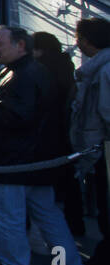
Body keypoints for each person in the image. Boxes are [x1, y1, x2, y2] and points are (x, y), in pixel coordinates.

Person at [0, 26, 88, 265]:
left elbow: (17, 118)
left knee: (8, 216)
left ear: (20, 45)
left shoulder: (22, 76)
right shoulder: (33, 72)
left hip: (14, 162)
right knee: (49, 218)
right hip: (36, 162)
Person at [70, 17, 110, 265]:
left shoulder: (104, 70)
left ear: (86, 40)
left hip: (102, 147)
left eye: (79, 38)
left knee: (107, 209)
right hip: (99, 146)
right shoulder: (99, 68)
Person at [34, 31, 83, 234]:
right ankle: (75, 223)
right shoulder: (65, 65)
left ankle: (57, 247)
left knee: (48, 188)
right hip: (65, 131)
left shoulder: (43, 69)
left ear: (40, 49)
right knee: (69, 181)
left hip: (48, 133)